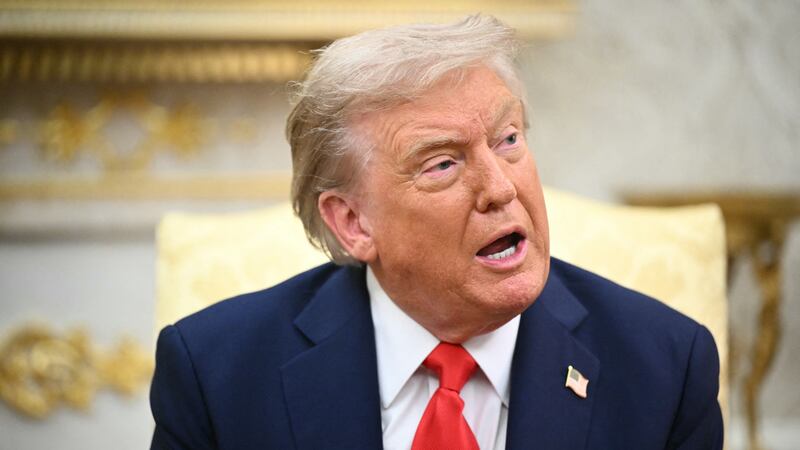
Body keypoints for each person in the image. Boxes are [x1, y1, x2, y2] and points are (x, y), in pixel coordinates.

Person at [150, 15, 723, 450]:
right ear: (353, 223)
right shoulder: (216, 375)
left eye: (508, 140)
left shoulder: (665, 368)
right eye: (442, 163)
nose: (500, 188)